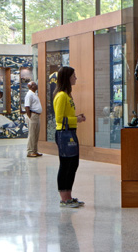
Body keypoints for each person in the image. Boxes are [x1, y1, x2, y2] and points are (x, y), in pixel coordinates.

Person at [53, 66, 86, 208]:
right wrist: (76, 119)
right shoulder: (61, 96)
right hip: (64, 134)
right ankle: (64, 198)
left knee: (73, 164)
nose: (76, 78)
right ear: (67, 78)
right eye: (73, 76)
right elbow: (59, 119)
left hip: (70, 132)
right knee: (66, 165)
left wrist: (76, 118)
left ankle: (69, 196)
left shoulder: (67, 96)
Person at [24, 81, 43, 157]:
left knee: (36, 134)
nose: (36, 85)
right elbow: (27, 107)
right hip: (33, 116)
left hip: (37, 116)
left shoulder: (34, 94)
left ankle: (35, 150)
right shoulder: (29, 95)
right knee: (32, 134)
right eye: (34, 84)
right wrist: (30, 117)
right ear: (31, 86)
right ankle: (30, 151)